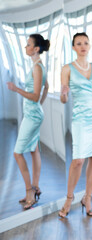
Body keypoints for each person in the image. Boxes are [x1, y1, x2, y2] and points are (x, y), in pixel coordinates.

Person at [59, 32, 92, 218]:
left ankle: (87, 198)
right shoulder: (67, 69)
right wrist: (64, 93)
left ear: (89, 46)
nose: (82, 46)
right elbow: (64, 100)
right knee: (78, 160)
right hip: (80, 119)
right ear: (73, 47)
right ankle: (69, 198)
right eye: (78, 43)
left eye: (86, 43)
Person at [7, 34, 50, 210]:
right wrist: (39, 106)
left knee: (17, 153)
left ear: (36, 49)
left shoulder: (37, 68)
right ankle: (36, 186)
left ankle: (29, 191)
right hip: (34, 113)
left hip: (32, 116)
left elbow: (34, 95)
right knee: (34, 150)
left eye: (28, 44)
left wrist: (16, 89)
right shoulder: (38, 66)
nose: (26, 47)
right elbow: (45, 88)